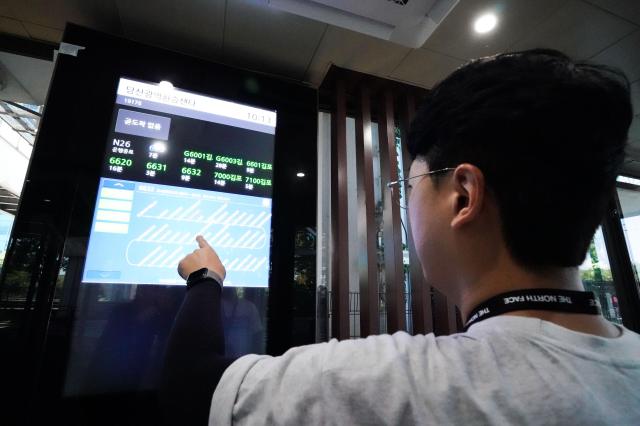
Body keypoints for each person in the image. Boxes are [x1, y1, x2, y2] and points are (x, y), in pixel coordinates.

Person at [160, 49, 640, 425]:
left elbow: (190, 391)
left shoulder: (398, 386)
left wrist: (206, 277)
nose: (403, 206)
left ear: (463, 196)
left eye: (406, 186)